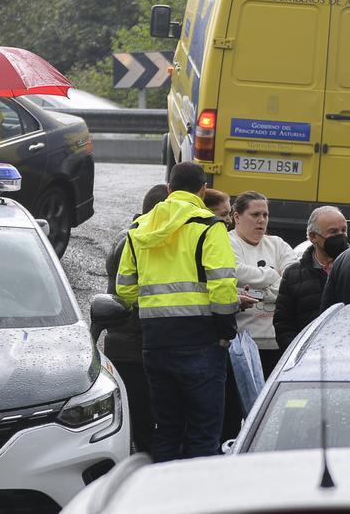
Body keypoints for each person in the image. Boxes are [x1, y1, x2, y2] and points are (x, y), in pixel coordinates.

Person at [116, 162, 239, 462]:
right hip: (201, 342)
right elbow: (223, 286)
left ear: (169, 189)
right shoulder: (209, 226)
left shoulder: (140, 229)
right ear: (203, 190)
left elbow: (125, 289)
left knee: (167, 429)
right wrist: (225, 332)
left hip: (155, 343)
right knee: (203, 432)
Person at [103, 184, 170, 452]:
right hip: (132, 350)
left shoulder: (132, 237)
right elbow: (131, 300)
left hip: (135, 347)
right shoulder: (136, 242)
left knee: (143, 424)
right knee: (141, 426)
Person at [228, 191, 297, 376]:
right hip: (241, 343)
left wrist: (261, 294)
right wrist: (274, 274)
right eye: (255, 214)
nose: (262, 220)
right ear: (237, 217)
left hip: (277, 342)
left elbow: (293, 278)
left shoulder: (277, 244)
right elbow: (237, 272)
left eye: (265, 215)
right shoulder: (227, 242)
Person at [274, 206, 348, 350]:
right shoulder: (293, 274)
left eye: (343, 230)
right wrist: (297, 354)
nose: (340, 236)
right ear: (313, 237)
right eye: (333, 231)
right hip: (307, 359)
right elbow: (283, 324)